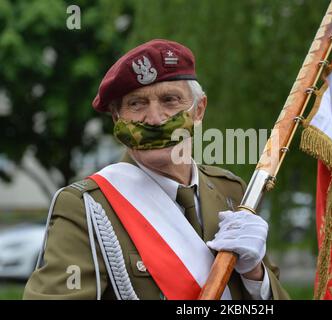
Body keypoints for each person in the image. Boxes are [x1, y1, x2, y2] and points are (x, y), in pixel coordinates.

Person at [23, 39, 289, 300]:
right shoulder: (86, 207)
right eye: (136, 104)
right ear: (117, 119)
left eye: (170, 100)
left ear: (199, 110)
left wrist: (256, 276)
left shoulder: (230, 190)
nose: (154, 118)